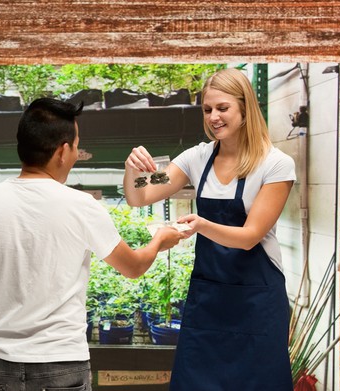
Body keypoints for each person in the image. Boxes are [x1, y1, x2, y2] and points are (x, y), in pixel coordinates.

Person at [0, 98, 185, 391]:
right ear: (62, 150)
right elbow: (133, 267)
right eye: (75, 146)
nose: (75, 154)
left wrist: (5, 303)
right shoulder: (81, 205)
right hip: (60, 365)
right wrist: (160, 239)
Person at [123, 67, 296, 390]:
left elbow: (249, 237)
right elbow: (141, 194)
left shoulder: (275, 165)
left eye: (222, 108)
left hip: (257, 303)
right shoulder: (196, 159)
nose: (213, 117)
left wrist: (201, 224)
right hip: (209, 301)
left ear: (245, 108)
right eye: (207, 109)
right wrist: (131, 169)